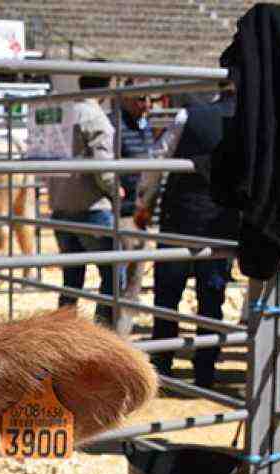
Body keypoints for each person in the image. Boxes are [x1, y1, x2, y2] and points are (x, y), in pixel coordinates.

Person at [135, 87, 239, 389]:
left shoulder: (189, 115)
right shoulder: (254, 121)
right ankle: (205, 370)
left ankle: (163, 365)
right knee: (212, 297)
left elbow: (158, 160)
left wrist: (145, 202)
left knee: (167, 294)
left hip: (180, 216)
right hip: (223, 221)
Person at [47, 72, 120, 327]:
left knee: (72, 278)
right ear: (107, 87)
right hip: (91, 208)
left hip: (60, 205)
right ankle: (105, 334)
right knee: (113, 274)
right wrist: (116, 191)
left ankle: (62, 333)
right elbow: (104, 168)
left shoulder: (62, 113)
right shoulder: (95, 117)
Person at [110, 84, 157, 335]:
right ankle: (115, 337)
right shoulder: (114, 126)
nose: (147, 104)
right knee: (121, 282)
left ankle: (120, 335)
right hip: (122, 212)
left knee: (133, 280)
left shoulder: (143, 126)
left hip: (139, 213)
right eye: (141, 99)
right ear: (125, 99)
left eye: (150, 99)